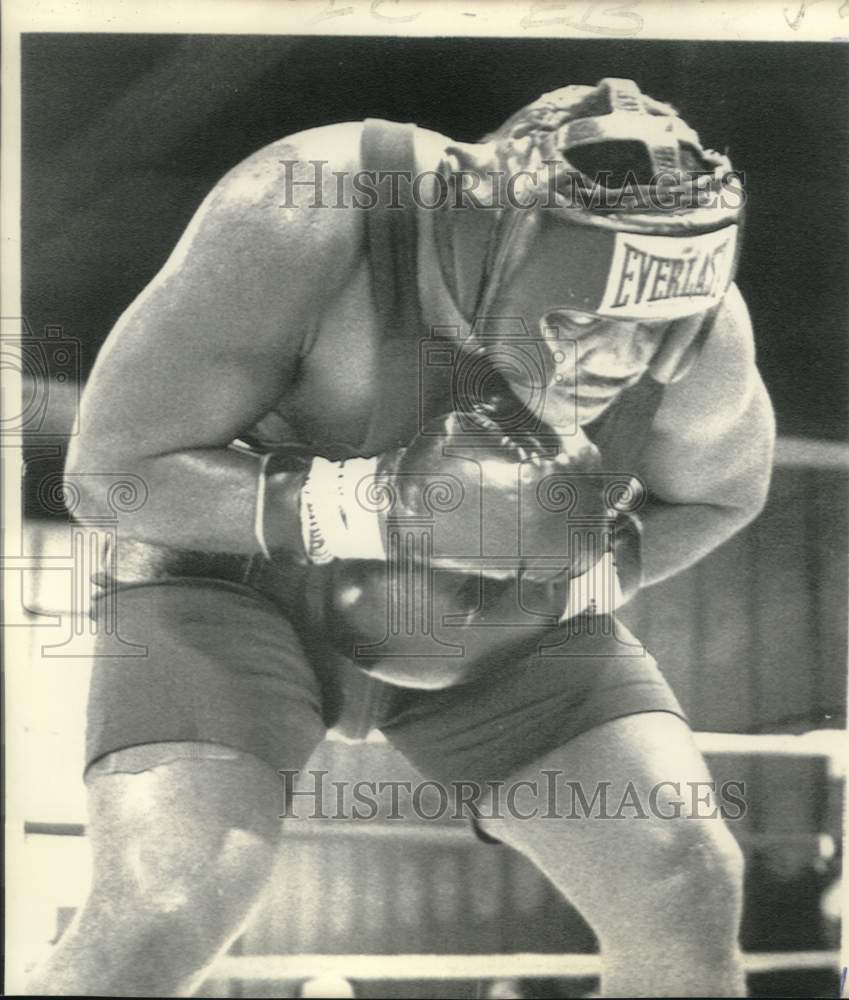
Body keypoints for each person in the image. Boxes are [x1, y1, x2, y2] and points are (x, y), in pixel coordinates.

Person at [29, 78, 774, 997]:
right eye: (585, 322)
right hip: (226, 580)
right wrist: (371, 501)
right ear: (498, 245)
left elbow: (720, 496)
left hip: (497, 610)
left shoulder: (702, 330)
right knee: (168, 902)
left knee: (683, 880)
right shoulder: (313, 208)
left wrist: (588, 572)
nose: (623, 360)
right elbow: (108, 477)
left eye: (653, 330)